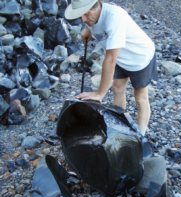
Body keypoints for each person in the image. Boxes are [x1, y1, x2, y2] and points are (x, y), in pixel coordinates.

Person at [65, 0, 158, 136]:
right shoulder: (92, 16)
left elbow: (110, 60)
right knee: (117, 89)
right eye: (80, 16)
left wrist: (99, 94)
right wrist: (87, 29)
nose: (83, 19)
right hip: (121, 56)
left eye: (85, 15)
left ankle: (140, 136)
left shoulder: (114, 18)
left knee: (140, 98)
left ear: (97, 5)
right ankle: (119, 124)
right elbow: (112, 56)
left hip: (139, 58)